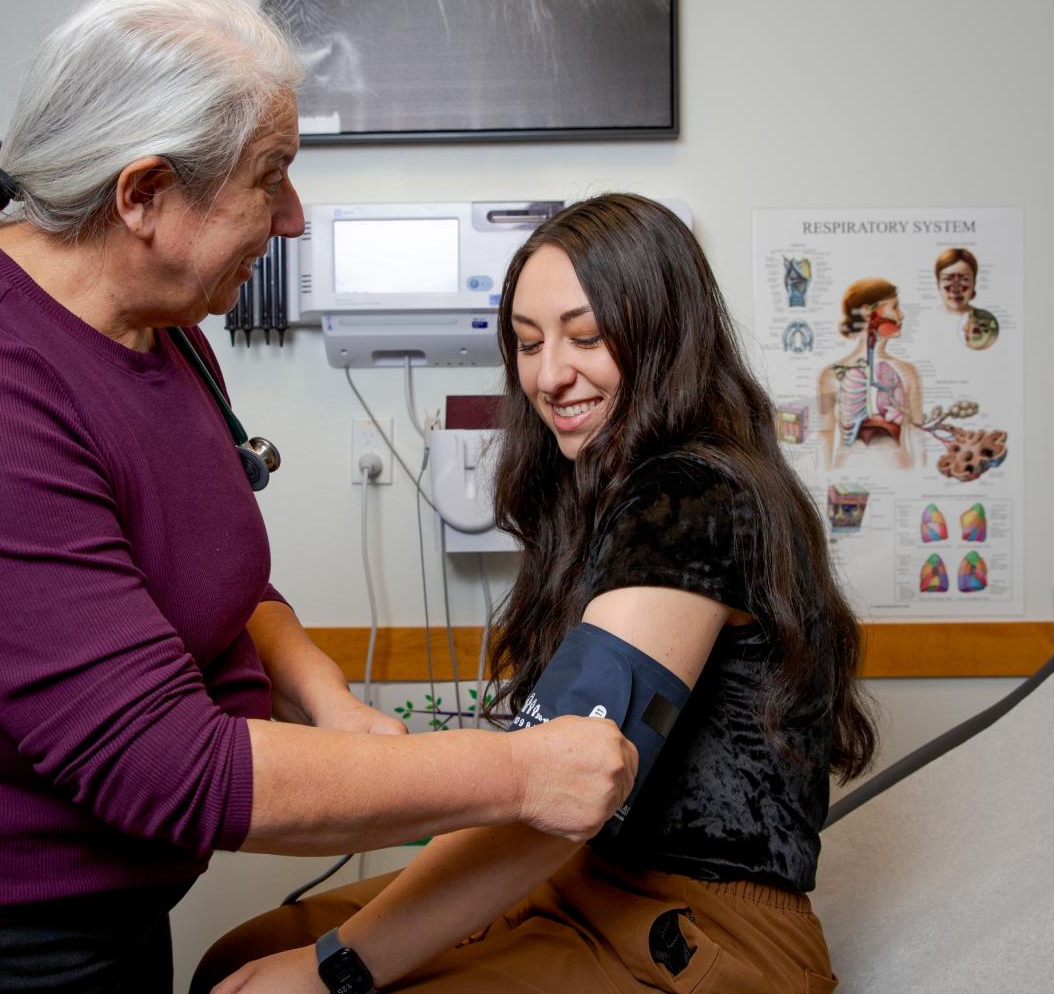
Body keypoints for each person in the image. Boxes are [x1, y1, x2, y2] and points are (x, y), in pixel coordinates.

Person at [0, 0, 636, 992]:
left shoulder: (168, 336)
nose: (292, 218)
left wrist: (325, 696)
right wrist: (515, 773)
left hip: (93, 911)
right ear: (144, 195)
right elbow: (164, 764)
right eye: (269, 177)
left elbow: (209, 580)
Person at [194, 194, 878, 994]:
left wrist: (332, 971)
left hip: (708, 927)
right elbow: (541, 783)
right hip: (583, 877)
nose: (550, 374)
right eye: (527, 343)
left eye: (586, 337)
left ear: (664, 336)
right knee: (238, 960)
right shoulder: (605, 497)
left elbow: (560, 800)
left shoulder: (692, 500)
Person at [818, 277, 924, 470]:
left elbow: (917, 435)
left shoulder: (908, 372)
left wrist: (924, 486)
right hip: (848, 481)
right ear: (868, 311)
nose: (901, 315)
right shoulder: (831, 375)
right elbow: (825, 438)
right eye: (895, 307)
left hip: (900, 479)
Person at [933, 247, 999, 350]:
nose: (955, 290)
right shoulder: (929, 318)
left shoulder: (986, 319)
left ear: (974, 283)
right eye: (947, 279)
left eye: (964, 280)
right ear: (938, 284)